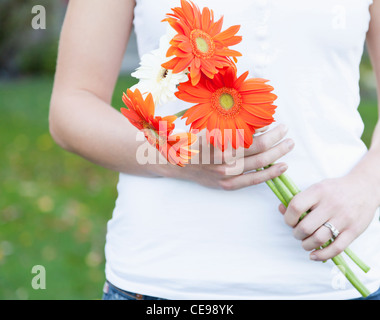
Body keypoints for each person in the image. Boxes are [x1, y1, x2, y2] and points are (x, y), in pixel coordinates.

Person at [49, 0, 380, 300]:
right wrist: (173, 156)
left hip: (332, 283)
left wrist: (366, 186)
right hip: (162, 283)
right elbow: (72, 107)